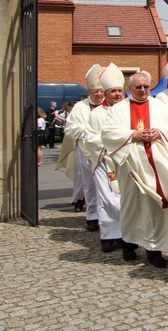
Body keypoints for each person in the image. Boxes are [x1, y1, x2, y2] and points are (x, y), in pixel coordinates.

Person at [102, 71, 168, 268]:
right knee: (131, 206)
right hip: (130, 166)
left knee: (154, 208)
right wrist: (132, 134)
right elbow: (109, 133)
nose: (143, 90)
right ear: (130, 89)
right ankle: (129, 244)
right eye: (138, 87)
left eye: (146, 86)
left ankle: (155, 250)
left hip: (156, 167)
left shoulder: (160, 107)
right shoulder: (118, 110)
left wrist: (159, 132)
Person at [83, 63, 127, 253]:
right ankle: (109, 236)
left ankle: (127, 234)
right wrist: (108, 144)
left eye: (119, 90)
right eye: (113, 91)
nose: (117, 94)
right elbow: (89, 138)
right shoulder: (97, 114)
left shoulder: (128, 110)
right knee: (106, 199)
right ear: (106, 93)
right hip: (103, 162)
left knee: (126, 198)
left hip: (125, 161)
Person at [56, 64, 105, 229]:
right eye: (95, 91)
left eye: (101, 91)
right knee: (90, 184)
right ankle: (92, 216)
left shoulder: (109, 106)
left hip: (107, 152)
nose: (99, 94)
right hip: (85, 150)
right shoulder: (80, 107)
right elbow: (69, 128)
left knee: (108, 185)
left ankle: (108, 217)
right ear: (89, 93)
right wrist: (88, 131)